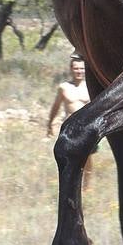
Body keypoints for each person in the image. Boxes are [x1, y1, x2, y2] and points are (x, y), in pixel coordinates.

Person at [48, 56, 95, 187]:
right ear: (71, 69)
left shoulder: (90, 87)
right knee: (69, 158)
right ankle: (70, 185)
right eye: (76, 68)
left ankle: (87, 187)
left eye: (81, 68)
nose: (79, 71)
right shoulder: (64, 88)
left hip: (87, 128)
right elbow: (56, 106)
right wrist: (50, 123)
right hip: (70, 129)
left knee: (88, 158)